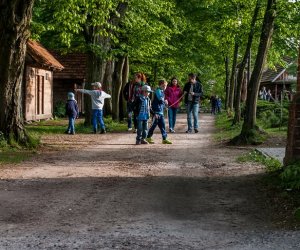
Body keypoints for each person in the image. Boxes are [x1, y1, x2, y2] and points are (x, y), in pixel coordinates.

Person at [146, 80, 172, 144]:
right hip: (156, 112)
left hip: (161, 112)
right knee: (153, 125)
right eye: (163, 86)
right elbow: (160, 100)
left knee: (162, 126)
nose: (164, 87)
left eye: (165, 86)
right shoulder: (158, 91)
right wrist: (164, 101)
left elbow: (162, 102)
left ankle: (164, 139)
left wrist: (165, 105)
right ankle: (148, 137)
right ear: (160, 85)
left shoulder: (162, 92)